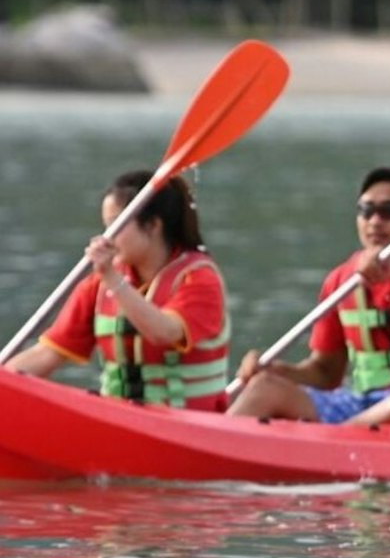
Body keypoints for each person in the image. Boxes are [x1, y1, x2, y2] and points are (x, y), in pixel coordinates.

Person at [228, 165, 390, 425]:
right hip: (365, 404)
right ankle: (215, 444)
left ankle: (343, 437)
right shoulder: (341, 280)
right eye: (366, 210)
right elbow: (326, 373)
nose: (375, 221)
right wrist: (275, 370)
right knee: (266, 386)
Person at [6, 170, 229, 410]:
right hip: (122, 418)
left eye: (116, 225)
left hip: (187, 426)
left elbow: (164, 332)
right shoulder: (99, 284)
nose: (107, 238)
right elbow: (46, 355)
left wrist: (113, 279)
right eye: (106, 226)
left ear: (153, 225)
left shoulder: (199, 278)